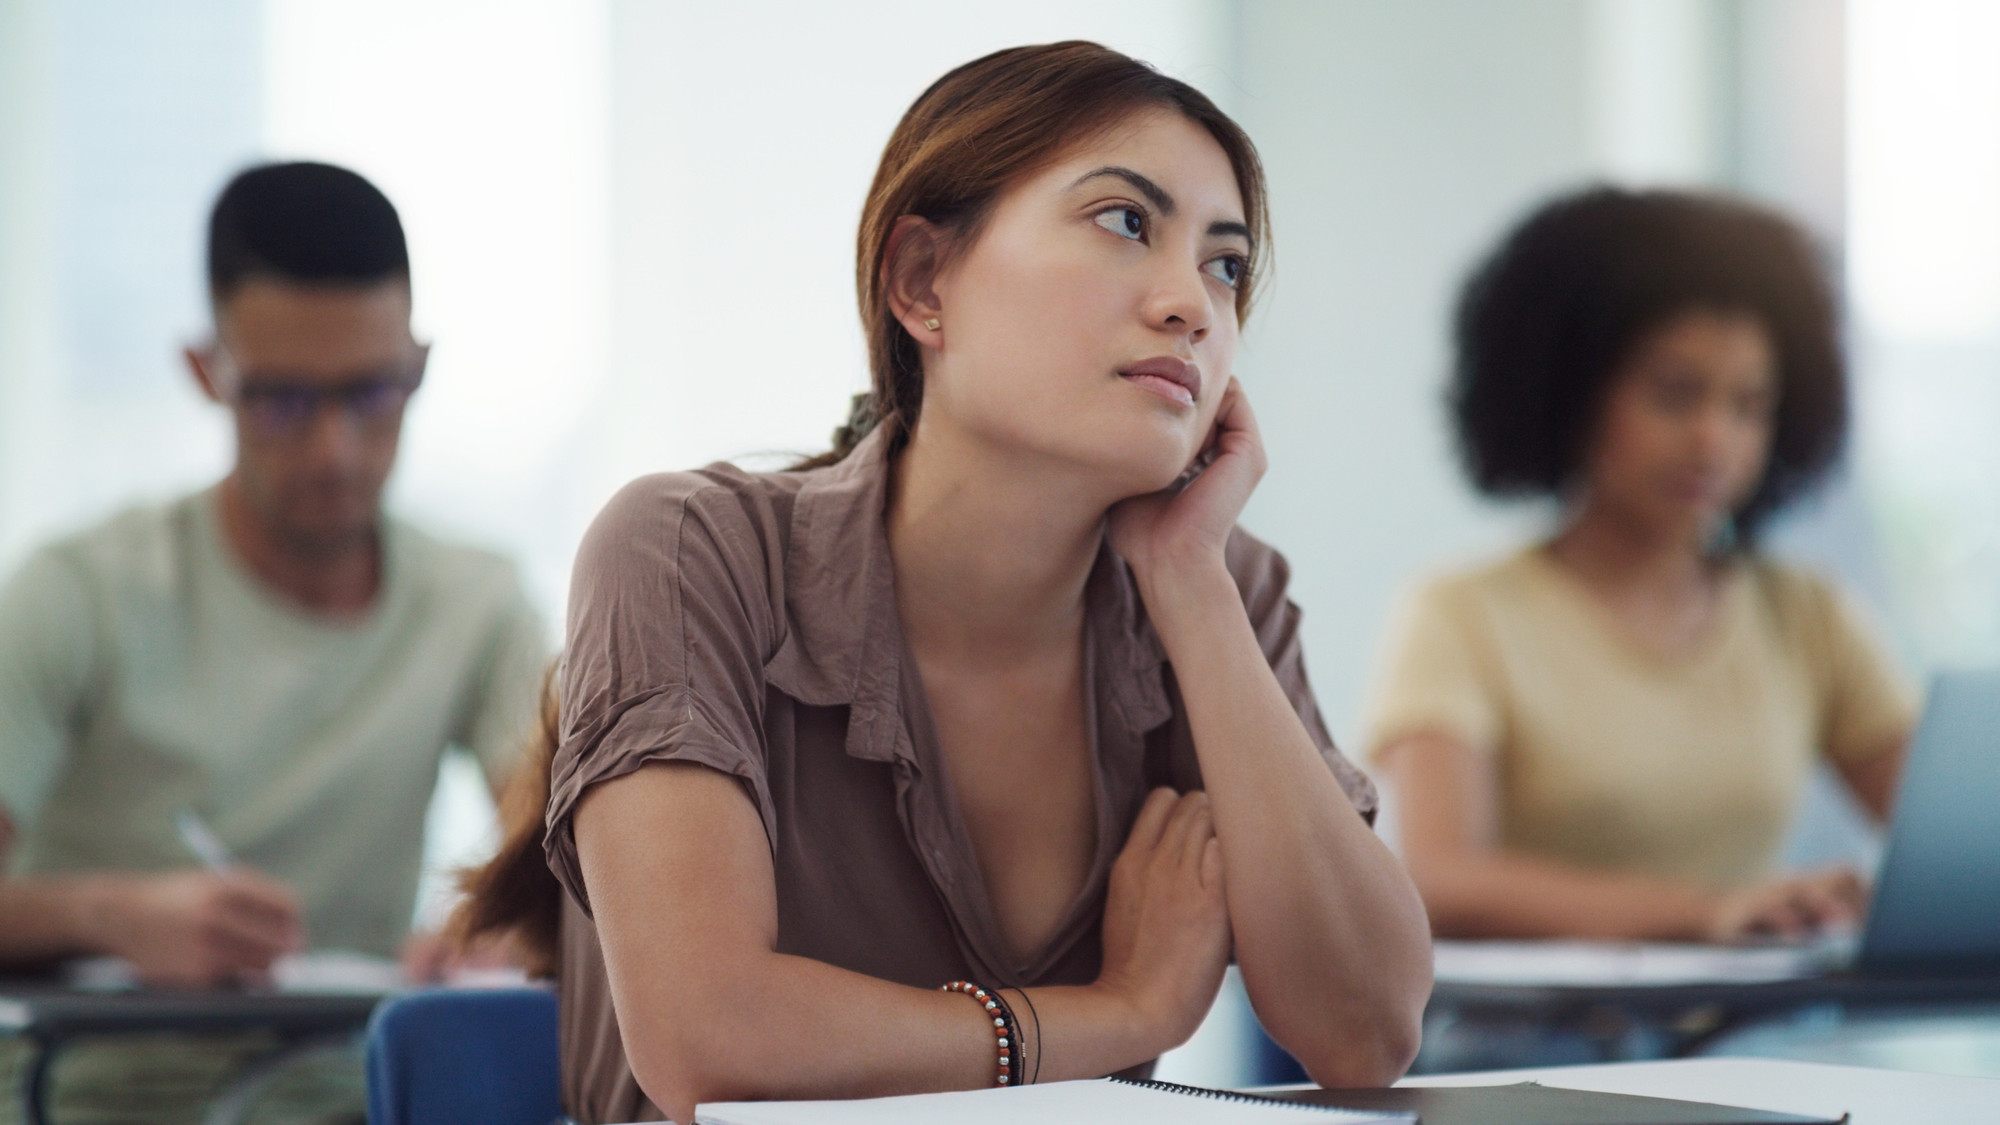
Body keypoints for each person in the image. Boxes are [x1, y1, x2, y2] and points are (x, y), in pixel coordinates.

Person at [460, 40, 1431, 1125]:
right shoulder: (689, 548)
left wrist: (1187, 580)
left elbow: (1365, 1036)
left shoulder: (1219, 586)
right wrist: (1122, 1012)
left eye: (1225, 264)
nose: (1190, 305)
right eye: (1124, 222)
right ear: (923, 282)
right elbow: (709, 1042)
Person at [0, 161, 548, 1119]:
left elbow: (561, 856)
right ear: (207, 372)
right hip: (96, 1096)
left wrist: (497, 925)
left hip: (348, 1096)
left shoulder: (477, 605)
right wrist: (111, 918)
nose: (335, 449)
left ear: (420, 366)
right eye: (286, 400)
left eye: (374, 393)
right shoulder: (78, 593)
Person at [1366, 187, 1918, 946]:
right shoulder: (1461, 613)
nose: (1713, 440)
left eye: (1749, 404)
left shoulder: (1808, 613)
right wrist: (1707, 912)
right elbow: (1439, 880)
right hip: (1518, 1050)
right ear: (1572, 392)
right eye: (1676, 393)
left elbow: (1953, 845)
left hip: (1749, 1041)